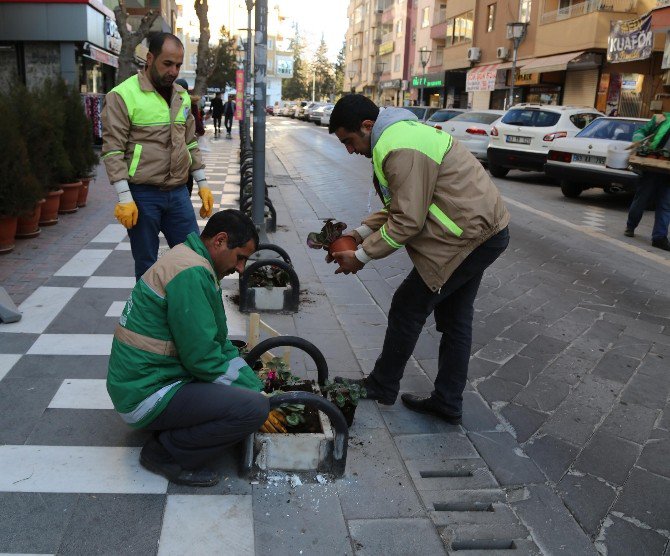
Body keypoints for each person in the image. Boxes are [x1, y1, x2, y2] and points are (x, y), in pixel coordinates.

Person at [327, 94, 510, 424]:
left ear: (367, 126)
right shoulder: (400, 135)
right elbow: (403, 203)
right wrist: (357, 233)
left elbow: (408, 220)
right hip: (482, 230)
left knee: (408, 305)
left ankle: (383, 385)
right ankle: (447, 401)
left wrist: (361, 256)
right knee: (455, 317)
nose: (350, 150)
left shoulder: (398, 147)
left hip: (468, 237)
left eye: (350, 141)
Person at [107, 210, 270, 486]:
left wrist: (253, 383)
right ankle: (165, 453)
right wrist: (258, 397)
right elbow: (204, 360)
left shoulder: (190, 258)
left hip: (144, 383)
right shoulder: (191, 273)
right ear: (220, 241)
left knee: (247, 396)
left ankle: (178, 431)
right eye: (240, 257)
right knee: (252, 409)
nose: (241, 268)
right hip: (145, 394)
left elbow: (218, 343)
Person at [101, 32, 214, 280]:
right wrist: (124, 197)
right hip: (142, 196)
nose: (173, 71)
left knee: (195, 257)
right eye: (167, 63)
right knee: (146, 265)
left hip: (178, 193)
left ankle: (186, 311)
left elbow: (190, 142)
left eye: (178, 65)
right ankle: (149, 317)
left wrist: (203, 184)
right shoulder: (122, 95)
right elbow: (113, 150)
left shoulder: (181, 96)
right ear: (150, 59)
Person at [624, 111, 670, 251]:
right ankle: (631, 226)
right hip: (651, 166)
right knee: (642, 198)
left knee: (665, 203)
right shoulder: (660, 118)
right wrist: (639, 140)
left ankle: (659, 237)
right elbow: (641, 131)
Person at [175, 78, 205, 197]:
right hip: (188, 150)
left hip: (173, 151)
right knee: (187, 183)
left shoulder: (169, 103)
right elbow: (198, 127)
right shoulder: (191, 104)